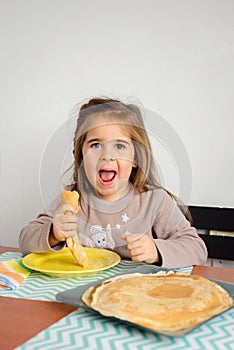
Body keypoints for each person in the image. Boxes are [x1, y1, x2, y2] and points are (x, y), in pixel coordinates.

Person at [19, 97, 207, 267]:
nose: (107, 155)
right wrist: (53, 233)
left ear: (136, 159)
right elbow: (26, 240)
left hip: (135, 296)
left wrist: (155, 250)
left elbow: (197, 248)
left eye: (119, 146)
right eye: (96, 145)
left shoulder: (154, 201)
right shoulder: (73, 201)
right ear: (81, 156)